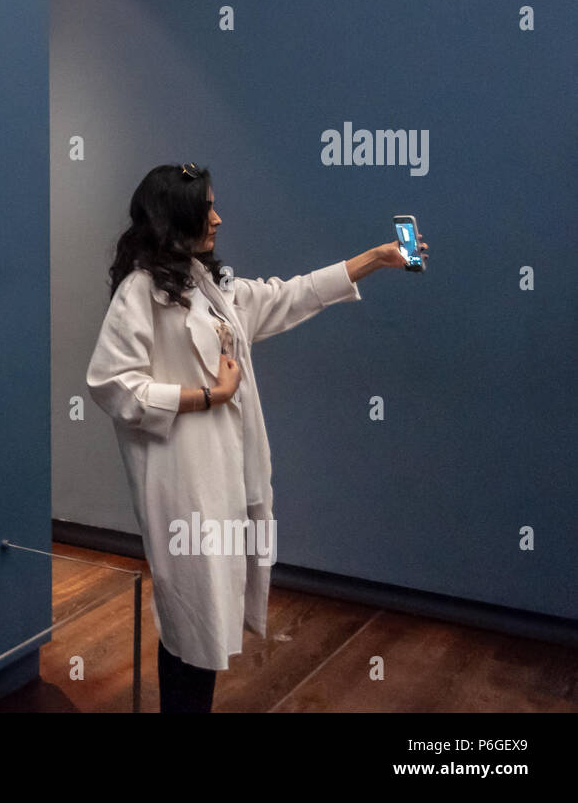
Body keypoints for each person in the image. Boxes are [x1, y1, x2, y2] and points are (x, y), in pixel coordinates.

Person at [85, 163, 428, 712]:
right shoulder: (141, 292)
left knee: (210, 615)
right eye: (207, 209)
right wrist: (205, 395)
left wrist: (377, 259)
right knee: (188, 616)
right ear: (175, 217)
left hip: (224, 479)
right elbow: (111, 384)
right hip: (182, 484)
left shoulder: (210, 285)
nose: (218, 219)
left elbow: (292, 295)